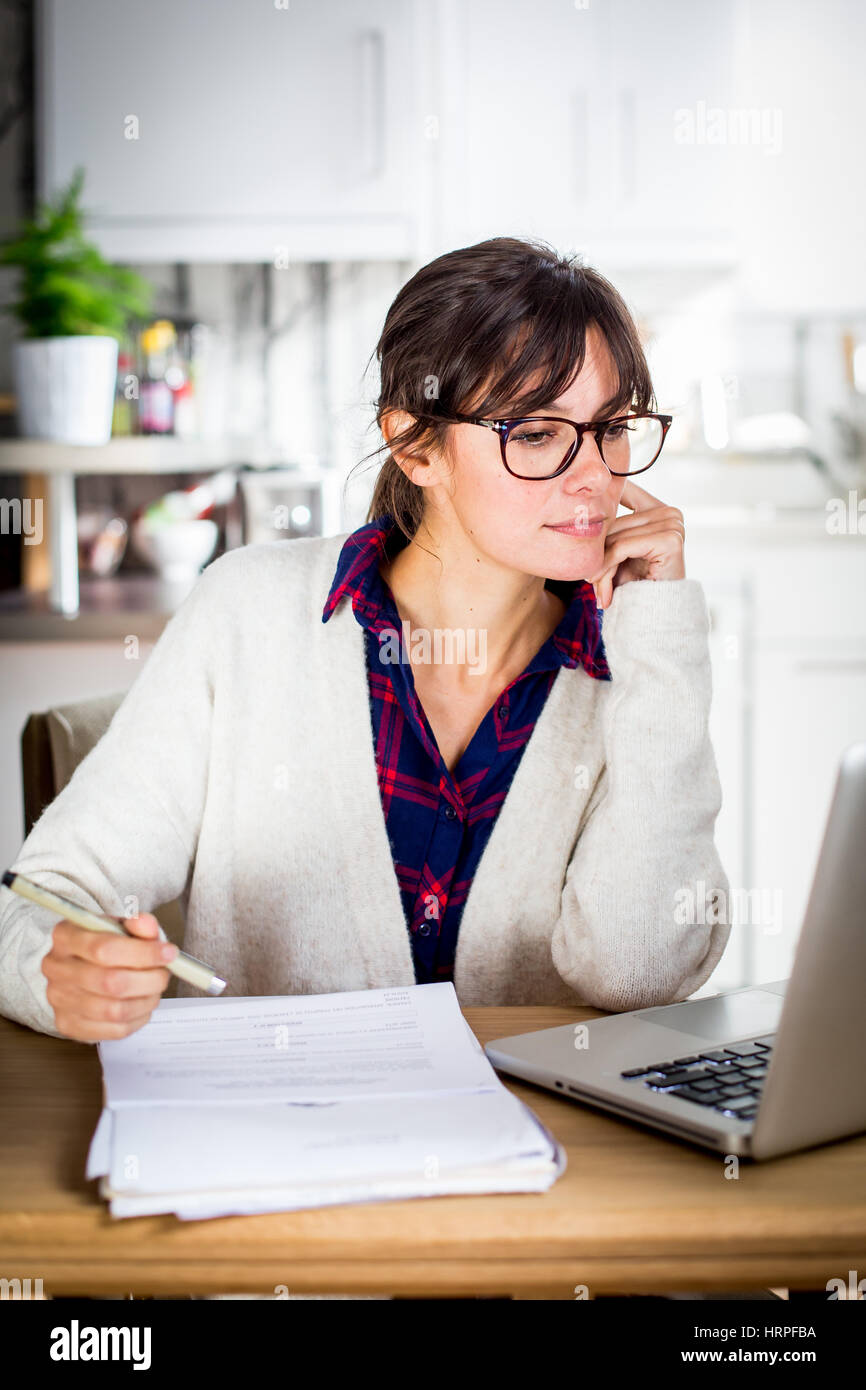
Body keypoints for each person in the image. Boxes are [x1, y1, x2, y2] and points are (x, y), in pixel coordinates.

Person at [0, 235, 730, 1049]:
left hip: (549, 1159)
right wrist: (59, 970)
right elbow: (39, 903)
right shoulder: (248, 610)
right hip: (277, 1151)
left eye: (613, 427)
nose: (596, 474)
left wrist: (664, 638)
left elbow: (640, 971)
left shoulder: (635, 661)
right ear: (416, 443)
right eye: (536, 433)